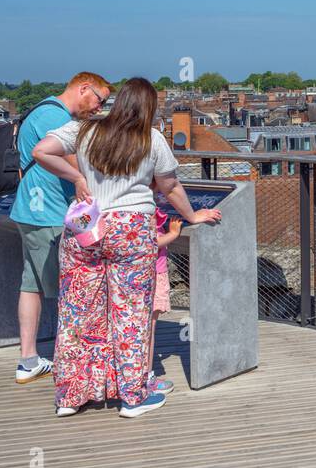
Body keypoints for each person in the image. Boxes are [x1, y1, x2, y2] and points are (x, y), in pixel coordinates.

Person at [32, 77, 220, 418]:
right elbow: (170, 185)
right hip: (131, 230)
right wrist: (192, 215)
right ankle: (132, 397)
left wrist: (77, 178)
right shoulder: (151, 139)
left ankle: (71, 395)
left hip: (86, 228)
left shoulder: (86, 131)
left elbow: (41, 151)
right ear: (148, 108)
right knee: (130, 314)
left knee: (77, 313)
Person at [9, 72, 112, 384]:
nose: (99, 108)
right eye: (99, 100)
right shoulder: (54, 116)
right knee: (69, 289)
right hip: (50, 214)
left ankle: (29, 359)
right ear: (83, 88)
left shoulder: (41, 109)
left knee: (32, 285)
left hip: (30, 211)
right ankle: (74, 362)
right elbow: (75, 161)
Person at [146, 189, 184, 395]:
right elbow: (149, 243)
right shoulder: (147, 207)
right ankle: (146, 377)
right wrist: (172, 234)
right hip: (151, 273)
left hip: (135, 272)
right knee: (148, 327)